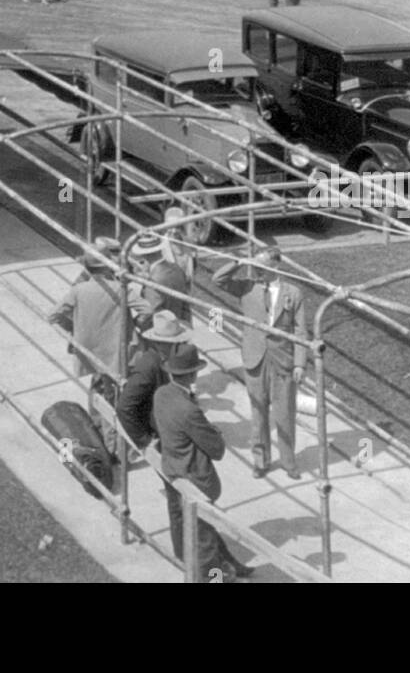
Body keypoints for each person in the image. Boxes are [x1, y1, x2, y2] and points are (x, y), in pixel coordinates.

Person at [153, 346, 253, 581]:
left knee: (201, 528)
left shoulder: (161, 395)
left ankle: (229, 563)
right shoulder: (189, 409)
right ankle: (216, 577)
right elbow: (216, 450)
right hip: (195, 479)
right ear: (192, 374)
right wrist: (212, 431)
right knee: (204, 541)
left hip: (172, 470)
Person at [213, 244, 307, 479]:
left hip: (282, 361)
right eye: (256, 266)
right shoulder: (247, 286)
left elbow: (301, 330)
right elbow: (218, 280)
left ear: (276, 266)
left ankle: (289, 461)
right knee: (258, 413)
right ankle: (261, 460)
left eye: (262, 266)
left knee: (284, 413)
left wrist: (299, 363)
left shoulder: (293, 293)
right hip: (255, 359)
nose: (258, 271)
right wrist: (241, 262)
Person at [49, 236, 132, 457]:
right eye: (114, 254)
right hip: (110, 351)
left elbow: (56, 315)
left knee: (100, 388)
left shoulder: (85, 282)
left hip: (92, 349)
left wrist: (76, 334)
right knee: (111, 398)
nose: (118, 258)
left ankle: (98, 431)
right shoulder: (104, 284)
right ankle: (112, 448)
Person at [117, 310, 194, 452]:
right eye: (176, 342)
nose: (180, 345)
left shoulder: (169, 358)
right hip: (158, 429)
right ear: (161, 344)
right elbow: (124, 407)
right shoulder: (148, 366)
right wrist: (145, 441)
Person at [130, 231, 191, 324]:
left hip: (160, 330)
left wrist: (135, 322)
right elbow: (185, 303)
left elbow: (150, 312)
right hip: (177, 325)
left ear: (144, 255)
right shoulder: (177, 268)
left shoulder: (152, 282)